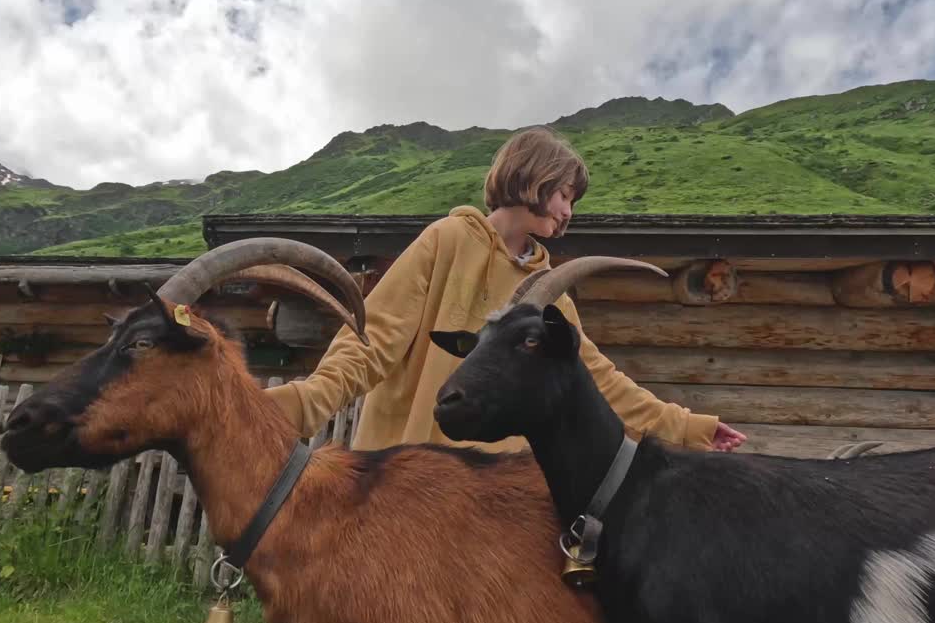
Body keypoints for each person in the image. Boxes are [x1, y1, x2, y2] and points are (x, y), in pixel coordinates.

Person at [265, 126, 747, 454]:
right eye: (564, 195)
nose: (568, 211)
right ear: (534, 178)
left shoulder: (548, 289)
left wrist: (685, 426)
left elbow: (596, 376)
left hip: (496, 495)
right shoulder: (447, 240)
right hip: (411, 476)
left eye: (573, 202)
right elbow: (373, 339)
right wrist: (309, 401)